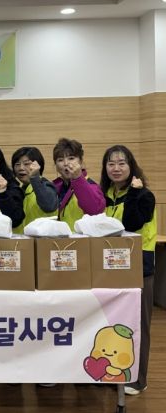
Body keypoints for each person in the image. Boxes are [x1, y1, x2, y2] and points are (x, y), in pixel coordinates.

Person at [100, 145, 156, 396]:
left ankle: (138, 379)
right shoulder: (105, 195)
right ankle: (114, 372)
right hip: (111, 266)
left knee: (138, 324)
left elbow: (132, 223)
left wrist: (133, 192)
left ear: (131, 166)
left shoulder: (144, 195)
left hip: (139, 267)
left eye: (122, 163)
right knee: (114, 323)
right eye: (111, 163)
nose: (116, 168)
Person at [52, 138, 105, 230]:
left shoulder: (91, 185)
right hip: (62, 238)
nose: (66, 163)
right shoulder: (55, 187)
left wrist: (77, 178)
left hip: (83, 238)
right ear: (56, 165)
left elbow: (95, 211)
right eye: (60, 160)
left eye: (71, 158)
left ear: (80, 161)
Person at [11, 146, 58, 233]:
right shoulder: (19, 190)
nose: (21, 168)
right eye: (17, 164)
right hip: (24, 240)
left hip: (43, 239)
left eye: (26, 164)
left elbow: (49, 206)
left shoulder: (45, 185)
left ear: (37, 166)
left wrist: (34, 177)